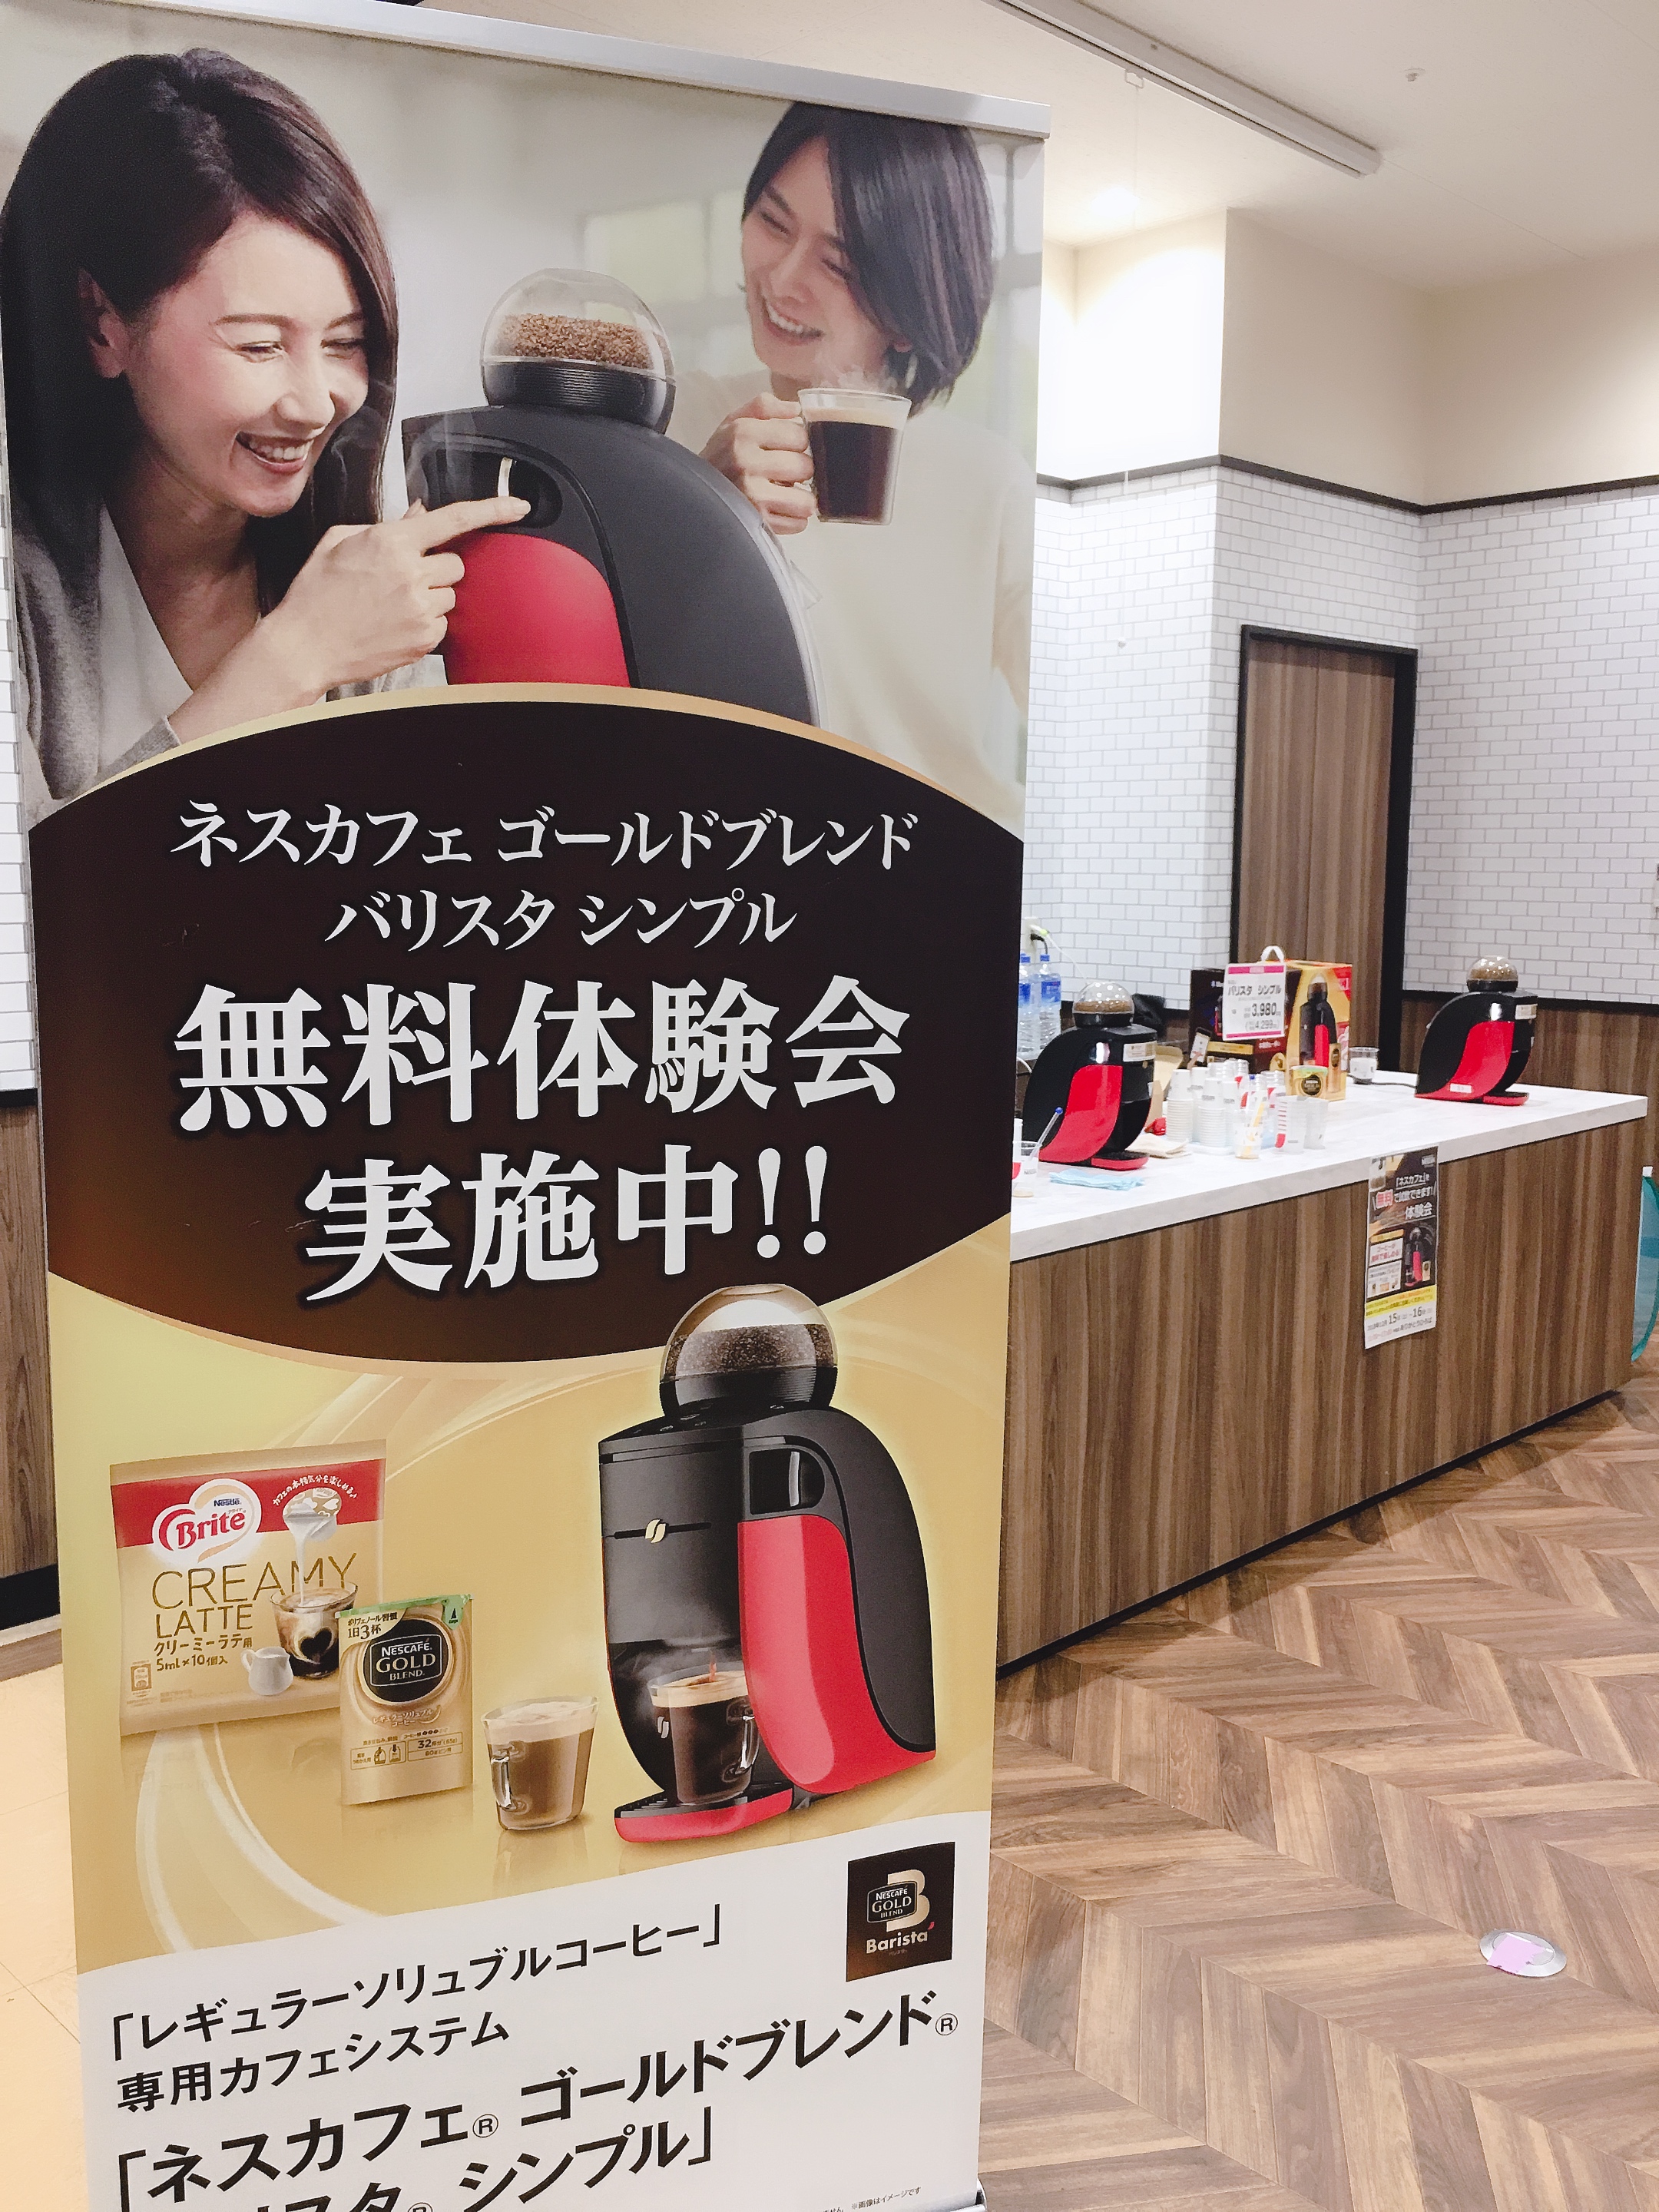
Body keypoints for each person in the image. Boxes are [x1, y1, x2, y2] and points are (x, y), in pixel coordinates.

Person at [0, 48, 525, 820]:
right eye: (258, 345)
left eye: (345, 343)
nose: (315, 404)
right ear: (100, 322)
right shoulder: (20, 580)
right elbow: (29, 887)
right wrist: (295, 656)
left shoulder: (363, 577)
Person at [669, 102, 1033, 833]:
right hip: (735, 872)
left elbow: (1087, 731)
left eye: (837, 264)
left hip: (932, 873)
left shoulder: (987, 480)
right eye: (773, 223)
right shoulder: (673, 427)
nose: (783, 279)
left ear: (910, 306)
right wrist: (700, 508)